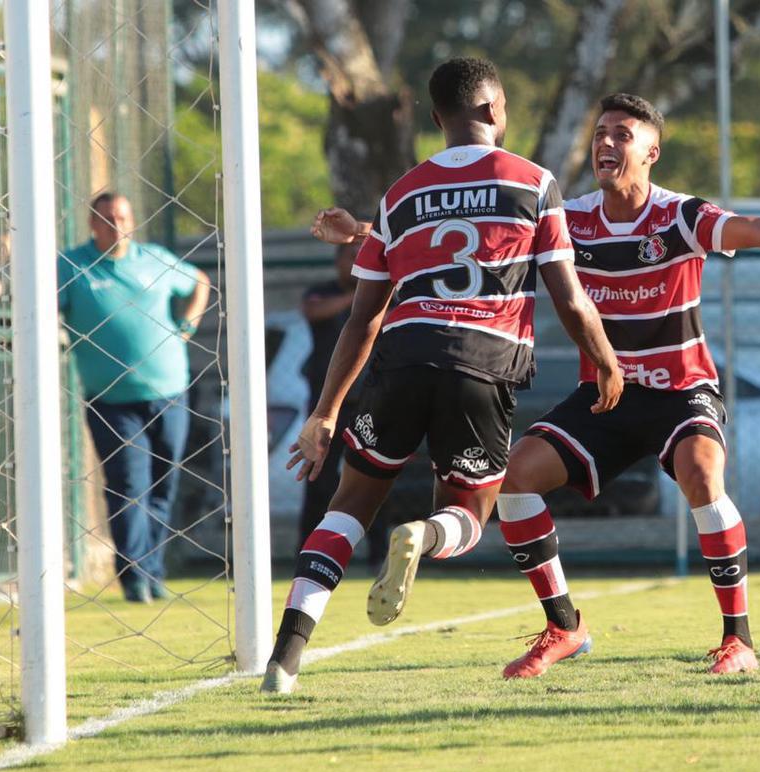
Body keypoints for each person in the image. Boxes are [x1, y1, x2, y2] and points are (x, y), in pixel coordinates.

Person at [315, 94, 760, 678]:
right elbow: (481, 236)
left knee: (701, 473)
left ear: (652, 152)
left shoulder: (680, 217)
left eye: (622, 134)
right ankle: (563, 626)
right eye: (600, 133)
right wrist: (364, 230)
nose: (606, 143)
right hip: (606, 396)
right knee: (514, 479)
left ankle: (737, 641)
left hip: (679, 391)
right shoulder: (573, 216)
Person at [261, 57, 622, 694]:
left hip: (399, 361)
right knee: (469, 514)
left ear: (436, 119)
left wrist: (324, 413)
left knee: (346, 507)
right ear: (494, 111)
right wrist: (605, 362)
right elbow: (569, 298)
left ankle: (285, 660)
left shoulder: (400, 195)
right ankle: (423, 535)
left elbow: (361, 320)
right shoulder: (533, 182)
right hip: (480, 366)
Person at [54, 193, 211, 603]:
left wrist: (189, 322)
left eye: (123, 217)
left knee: (163, 484)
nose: (116, 226)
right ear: (92, 224)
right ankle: (134, 576)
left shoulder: (154, 258)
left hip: (171, 392)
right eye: (107, 219)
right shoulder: (72, 267)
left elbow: (199, 281)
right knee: (128, 484)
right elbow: (41, 301)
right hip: (111, 400)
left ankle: (153, 569)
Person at [298, 242, 387, 568]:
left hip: (370, 403)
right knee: (317, 479)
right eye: (351, 258)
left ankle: (378, 554)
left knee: (371, 478)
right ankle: (306, 552)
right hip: (328, 406)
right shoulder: (324, 293)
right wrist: (363, 295)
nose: (356, 264)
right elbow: (313, 310)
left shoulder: (386, 296)